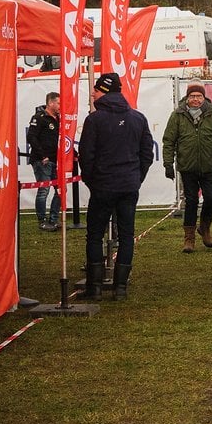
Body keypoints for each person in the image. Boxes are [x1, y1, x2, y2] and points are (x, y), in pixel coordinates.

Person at [79, 73, 154, 301]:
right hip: (128, 186)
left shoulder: (94, 120)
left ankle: (96, 288)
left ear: (104, 91)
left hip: (103, 186)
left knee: (94, 235)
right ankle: (120, 288)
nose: (92, 94)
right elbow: (147, 154)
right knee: (127, 235)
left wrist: (92, 181)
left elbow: (86, 156)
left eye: (96, 90)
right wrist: (136, 178)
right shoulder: (138, 118)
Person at [163, 83, 212, 253]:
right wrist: (168, 164)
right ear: (187, 97)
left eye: (198, 96)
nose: (195, 99)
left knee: (211, 199)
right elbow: (169, 141)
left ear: (203, 97)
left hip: (208, 166)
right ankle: (189, 238)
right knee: (191, 201)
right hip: (187, 167)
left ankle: (205, 228)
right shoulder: (177, 115)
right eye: (192, 96)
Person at [26, 91, 61, 231]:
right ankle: (42, 221)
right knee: (44, 190)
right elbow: (31, 137)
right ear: (50, 103)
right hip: (43, 161)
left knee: (60, 190)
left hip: (56, 160)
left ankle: (53, 219)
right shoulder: (39, 117)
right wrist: (42, 156)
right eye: (58, 103)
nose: (60, 106)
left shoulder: (59, 118)